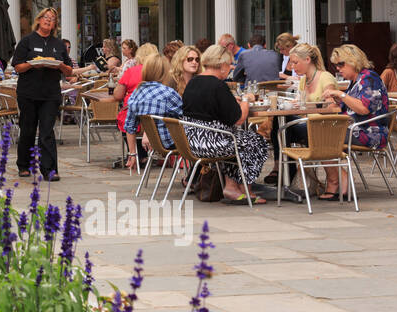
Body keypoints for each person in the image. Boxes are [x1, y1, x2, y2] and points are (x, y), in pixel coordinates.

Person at [180, 44, 270, 204]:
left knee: (242, 138)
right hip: (212, 144)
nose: (231, 68)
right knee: (256, 141)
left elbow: (211, 109)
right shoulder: (218, 86)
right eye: (229, 65)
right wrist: (245, 99)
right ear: (221, 66)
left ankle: (232, 184)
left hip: (191, 142)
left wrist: (231, 102)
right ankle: (244, 189)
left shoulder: (193, 83)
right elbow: (239, 119)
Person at [9, 7, 73, 181]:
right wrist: (32, 64)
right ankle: (24, 165)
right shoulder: (27, 41)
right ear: (38, 20)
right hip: (28, 93)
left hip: (50, 94)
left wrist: (60, 66)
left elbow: (69, 71)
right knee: (28, 130)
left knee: (46, 132)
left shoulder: (59, 44)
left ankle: (50, 170)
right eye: (46, 17)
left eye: (52, 19)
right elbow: (18, 67)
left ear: (55, 25)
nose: (48, 20)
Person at [263, 42, 336, 188]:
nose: (292, 67)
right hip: (307, 124)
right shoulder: (304, 81)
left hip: (323, 126)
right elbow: (301, 104)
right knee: (280, 126)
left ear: (307, 60)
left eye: (295, 62)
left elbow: (332, 106)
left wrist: (306, 106)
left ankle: (283, 170)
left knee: (281, 126)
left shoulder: (325, 77)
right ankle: (285, 171)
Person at [324, 44, 389, 200]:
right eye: (336, 65)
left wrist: (340, 94)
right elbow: (347, 108)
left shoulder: (369, 77)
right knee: (314, 134)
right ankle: (340, 179)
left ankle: (341, 179)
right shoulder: (355, 81)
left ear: (353, 61)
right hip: (355, 129)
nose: (338, 69)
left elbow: (363, 109)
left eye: (341, 64)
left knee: (320, 137)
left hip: (370, 133)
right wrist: (335, 101)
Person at [126, 54, 182, 155]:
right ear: (165, 72)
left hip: (155, 143)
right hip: (171, 142)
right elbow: (185, 116)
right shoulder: (168, 93)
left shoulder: (136, 93)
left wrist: (132, 153)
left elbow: (130, 126)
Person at [114, 43, 159, 170]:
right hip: (154, 119)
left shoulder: (131, 72)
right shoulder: (159, 72)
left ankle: (133, 153)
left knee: (125, 120)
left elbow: (117, 95)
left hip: (132, 118)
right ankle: (144, 154)